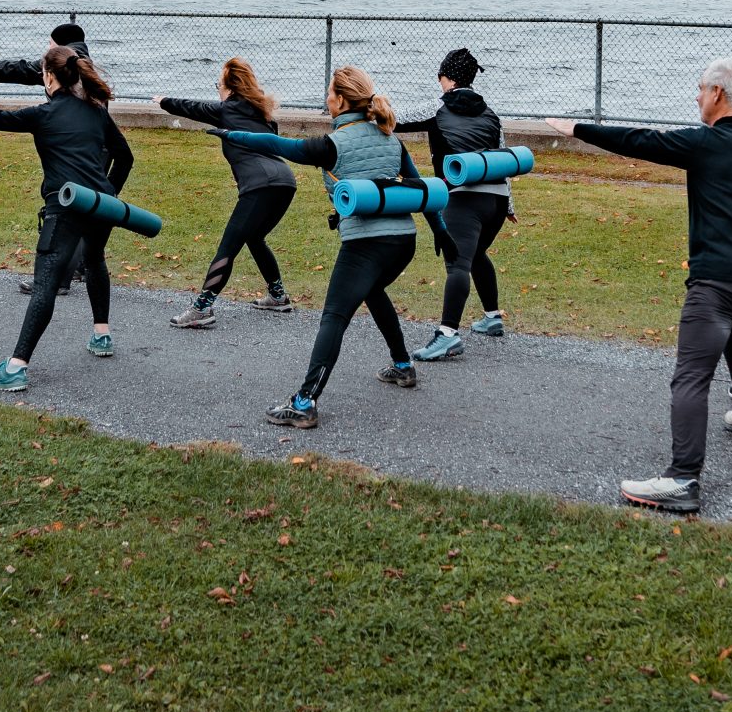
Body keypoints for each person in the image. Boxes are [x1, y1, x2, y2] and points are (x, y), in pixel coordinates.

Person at [545, 57, 732, 517]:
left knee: (691, 376)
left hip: (718, 282)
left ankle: (682, 479)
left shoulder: (708, 143)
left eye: (700, 89)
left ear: (717, 94)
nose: (696, 97)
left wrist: (578, 128)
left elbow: (641, 142)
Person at [214, 66, 426, 429]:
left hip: (365, 244)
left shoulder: (333, 145)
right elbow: (420, 188)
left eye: (329, 93)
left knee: (334, 317)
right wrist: (443, 237)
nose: (326, 99)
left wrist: (231, 134)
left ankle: (304, 402)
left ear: (341, 100)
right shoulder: (390, 137)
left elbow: (279, 146)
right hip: (404, 241)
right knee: (373, 291)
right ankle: (403, 366)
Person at [0, 45, 135, 391]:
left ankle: (16, 367)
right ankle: (101, 335)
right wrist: (109, 196)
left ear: (48, 77)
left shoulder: (44, 115)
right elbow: (125, 158)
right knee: (94, 260)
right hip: (98, 206)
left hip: (65, 208)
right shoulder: (96, 111)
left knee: (45, 283)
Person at [156, 57, 296, 328]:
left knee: (227, 248)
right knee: (254, 238)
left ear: (230, 88)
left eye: (218, 85)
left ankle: (202, 309)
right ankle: (278, 297)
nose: (217, 90)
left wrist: (162, 100)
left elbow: (191, 107)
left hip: (261, 187)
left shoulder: (227, 109)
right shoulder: (264, 115)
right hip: (285, 183)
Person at [393, 46, 512, 360]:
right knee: (476, 254)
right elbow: (503, 156)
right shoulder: (491, 113)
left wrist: (365, 111)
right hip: (497, 201)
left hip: (461, 200)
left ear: (444, 77)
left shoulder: (437, 106)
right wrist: (509, 206)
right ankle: (492, 318)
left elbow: (394, 120)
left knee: (457, 263)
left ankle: (447, 335)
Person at [0, 22, 95, 296]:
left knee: (67, 210)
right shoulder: (85, 64)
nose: (47, 50)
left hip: (72, 149)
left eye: (50, 44)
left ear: (59, 45)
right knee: (84, 210)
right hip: (93, 147)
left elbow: (17, 69)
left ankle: (59, 278)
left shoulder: (63, 65)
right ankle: (83, 266)